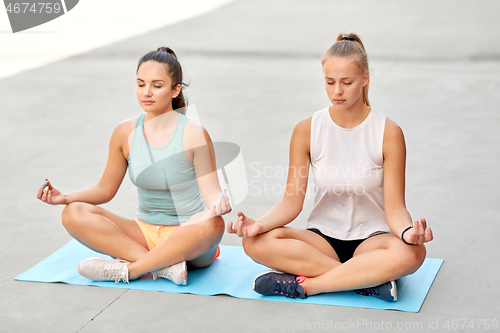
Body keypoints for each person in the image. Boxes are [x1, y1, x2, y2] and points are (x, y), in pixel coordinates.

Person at [227, 33, 433, 301]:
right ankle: (366, 281)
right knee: (254, 241)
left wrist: (408, 233)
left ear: (365, 79)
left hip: (372, 241)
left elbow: (395, 207)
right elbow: (291, 201)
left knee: (414, 253)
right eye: (330, 82)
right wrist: (259, 224)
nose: (337, 91)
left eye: (347, 82)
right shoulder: (306, 130)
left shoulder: (389, 132)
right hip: (321, 242)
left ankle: (307, 286)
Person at [37, 47, 230, 285]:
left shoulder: (194, 134)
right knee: (73, 212)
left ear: (175, 90)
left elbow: (211, 191)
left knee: (213, 224)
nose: (146, 92)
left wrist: (218, 202)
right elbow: (105, 189)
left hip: (187, 235)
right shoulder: (124, 133)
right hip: (142, 233)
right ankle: (165, 266)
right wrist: (64, 197)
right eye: (140, 84)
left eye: (157, 85)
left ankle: (130, 270)